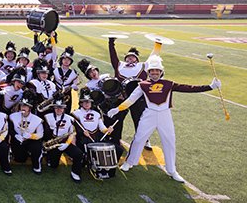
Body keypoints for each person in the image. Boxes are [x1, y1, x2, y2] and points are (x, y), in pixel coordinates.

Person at [108, 54, 221, 183]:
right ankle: (130, 162)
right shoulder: (142, 85)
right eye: (152, 71)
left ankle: (172, 170)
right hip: (149, 114)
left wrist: (210, 86)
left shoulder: (168, 84)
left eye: (157, 71)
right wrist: (118, 109)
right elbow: (131, 100)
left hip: (164, 115)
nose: (154, 73)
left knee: (169, 141)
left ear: (161, 72)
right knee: (139, 139)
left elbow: (188, 88)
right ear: (148, 72)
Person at [43, 95, 83, 182]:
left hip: (65, 142)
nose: (59, 109)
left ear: (64, 108)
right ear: (53, 108)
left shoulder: (70, 118)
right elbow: (45, 133)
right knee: (53, 165)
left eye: (61, 108)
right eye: (57, 107)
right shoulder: (47, 117)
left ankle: (75, 173)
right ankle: (49, 157)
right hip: (53, 142)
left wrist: (67, 144)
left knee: (79, 154)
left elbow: (72, 133)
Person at [8, 92, 44, 174]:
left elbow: (40, 134)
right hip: (18, 139)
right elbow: (10, 129)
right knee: (20, 159)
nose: (23, 107)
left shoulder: (37, 119)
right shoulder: (13, 116)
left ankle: (37, 164)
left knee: (36, 148)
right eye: (22, 105)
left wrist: (30, 136)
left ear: (30, 108)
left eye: (26, 106)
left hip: (30, 140)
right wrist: (15, 135)